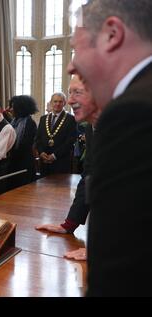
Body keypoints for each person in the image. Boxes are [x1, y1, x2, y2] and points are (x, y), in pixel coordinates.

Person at [67, 0, 152, 296]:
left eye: (77, 48)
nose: (71, 65)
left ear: (112, 34)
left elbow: (120, 274)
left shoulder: (133, 111)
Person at [36, 75, 100, 261]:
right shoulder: (91, 128)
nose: (70, 100)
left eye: (77, 93)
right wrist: (69, 224)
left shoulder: (129, 125)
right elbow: (89, 178)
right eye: (69, 93)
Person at [35, 92, 77, 177]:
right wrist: (41, 152)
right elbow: (38, 138)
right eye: (55, 101)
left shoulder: (70, 119)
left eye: (60, 102)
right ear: (51, 103)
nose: (57, 104)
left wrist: (54, 155)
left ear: (64, 103)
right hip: (44, 162)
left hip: (61, 162)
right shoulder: (43, 119)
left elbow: (70, 141)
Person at [7, 95, 38, 189]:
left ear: (20, 108)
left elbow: (24, 145)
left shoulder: (30, 123)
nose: (10, 109)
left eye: (13, 107)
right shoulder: (13, 121)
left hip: (24, 164)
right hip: (13, 163)